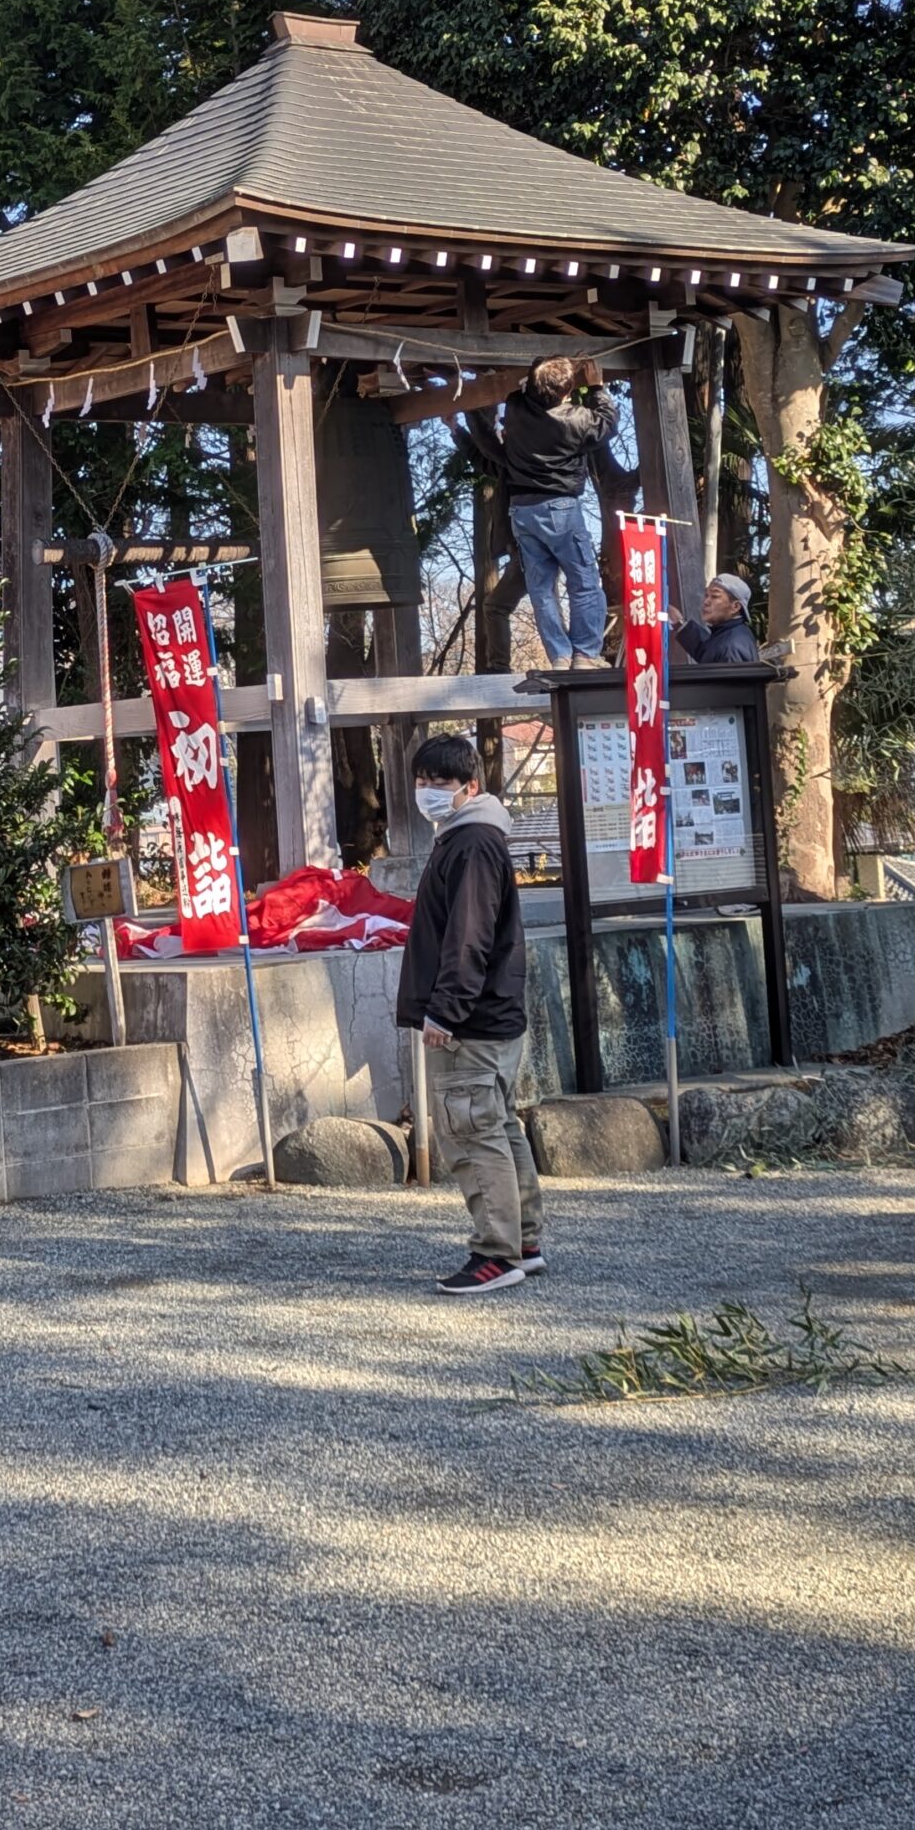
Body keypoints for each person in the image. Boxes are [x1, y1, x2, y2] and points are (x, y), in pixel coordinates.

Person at [394, 732, 541, 1296]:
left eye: (441, 781)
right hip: (492, 1014)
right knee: (498, 1127)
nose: (428, 789)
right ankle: (522, 1242)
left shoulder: (471, 843)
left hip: (470, 1020)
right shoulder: (470, 836)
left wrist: (445, 1011)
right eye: (422, 779)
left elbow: (468, 936)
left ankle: (496, 1252)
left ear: (470, 786)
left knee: (472, 1134)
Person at [464, 354, 617, 669]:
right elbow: (607, 423)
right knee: (583, 581)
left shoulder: (515, 408)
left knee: (541, 586)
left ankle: (560, 655)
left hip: (522, 510)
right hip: (560, 508)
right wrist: (597, 387)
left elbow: (522, 391)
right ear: (566, 392)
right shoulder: (576, 420)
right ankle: (584, 653)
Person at [675, 572, 760, 664]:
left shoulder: (731, 648)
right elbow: (708, 651)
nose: (706, 602)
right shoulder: (733, 632)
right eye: (706, 595)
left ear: (735, 607)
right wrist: (679, 623)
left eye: (714, 596)